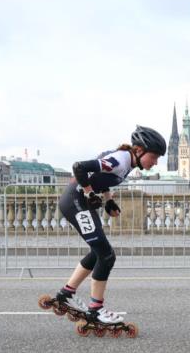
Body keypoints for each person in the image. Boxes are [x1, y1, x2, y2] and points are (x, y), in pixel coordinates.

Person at [43, 126, 166, 336]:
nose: (155, 162)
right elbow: (79, 167)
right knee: (106, 255)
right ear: (138, 150)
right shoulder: (120, 159)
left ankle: (66, 294)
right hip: (76, 202)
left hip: (80, 202)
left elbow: (100, 176)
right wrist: (90, 193)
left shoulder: (127, 161)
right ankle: (96, 309)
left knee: (98, 252)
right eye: (153, 157)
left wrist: (109, 201)